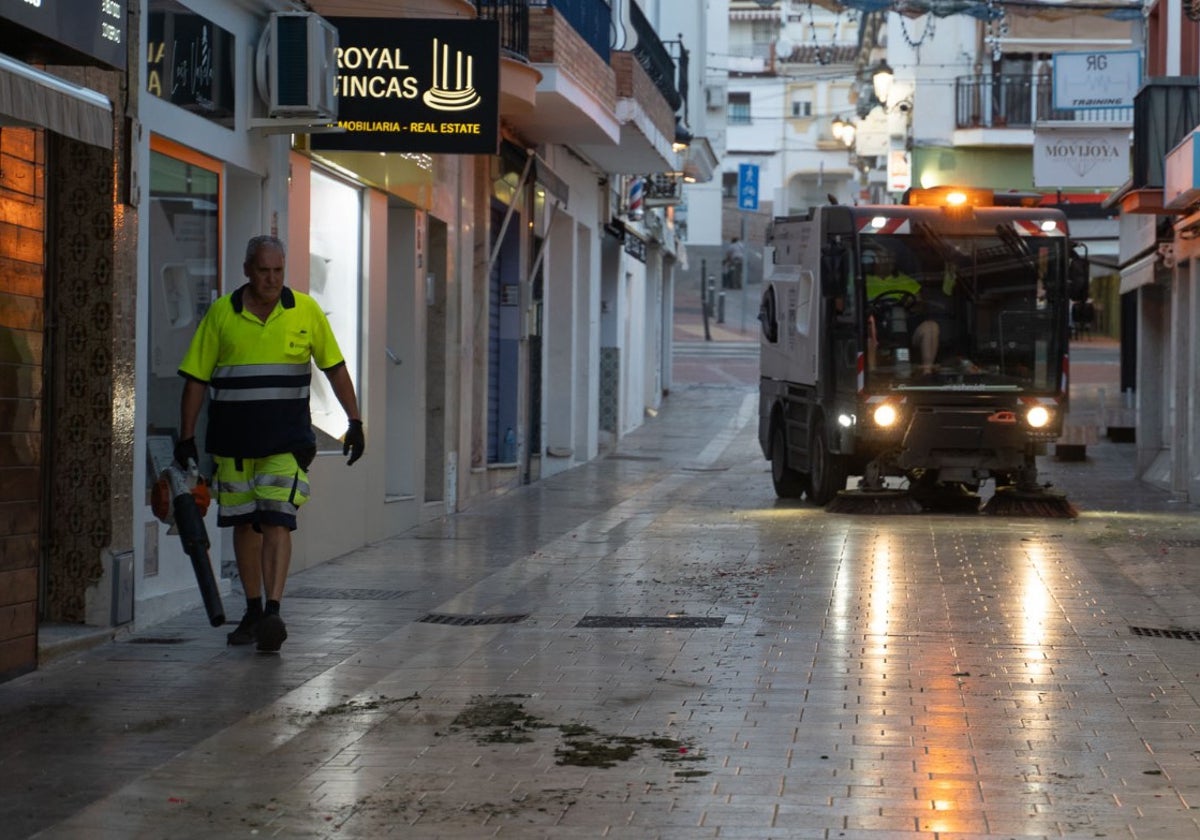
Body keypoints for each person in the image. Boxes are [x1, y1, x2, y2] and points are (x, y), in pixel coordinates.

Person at [175, 235, 365, 653]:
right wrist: (186, 437)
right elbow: (196, 380)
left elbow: (334, 367)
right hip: (233, 445)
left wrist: (354, 420)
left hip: (285, 442)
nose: (272, 279)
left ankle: (274, 611)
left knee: (278, 519)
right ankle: (254, 609)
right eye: (264, 270)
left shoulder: (305, 311)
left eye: (278, 271)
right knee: (245, 524)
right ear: (247, 270)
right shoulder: (222, 314)